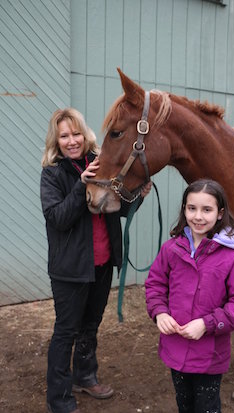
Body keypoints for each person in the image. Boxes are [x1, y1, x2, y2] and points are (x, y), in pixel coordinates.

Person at [40, 107, 152, 413]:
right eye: (64, 135)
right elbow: (58, 218)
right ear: (57, 140)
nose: (72, 141)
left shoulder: (101, 163)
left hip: (102, 264)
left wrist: (137, 197)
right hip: (70, 270)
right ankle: (59, 398)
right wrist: (80, 185)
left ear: (84, 134)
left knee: (90, 325)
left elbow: (117, 208)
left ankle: (85, 376)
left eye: (76, 133)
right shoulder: (53, 174)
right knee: (66, 331)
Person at [145, 178, 234, 413]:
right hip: (175, 348)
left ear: (219, 213)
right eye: (192, 208)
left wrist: (207, 324)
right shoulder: (171, 249)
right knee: (184, 404)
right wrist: (160, 313)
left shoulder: (231, 258)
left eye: (207, 209)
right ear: (184, 209)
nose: (198, 216)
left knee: (206, 407)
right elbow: (155, 285)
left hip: (210, 355)